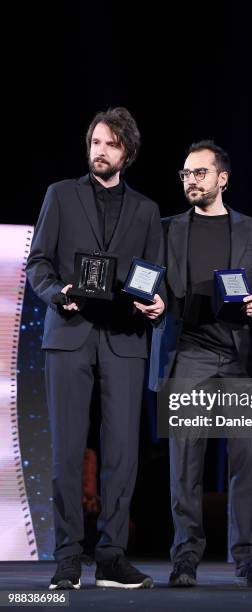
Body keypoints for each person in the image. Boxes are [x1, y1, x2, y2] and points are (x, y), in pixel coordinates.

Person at [26, 107, 165, 590]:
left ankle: (110, 556)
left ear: (126, 150)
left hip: (125, 340)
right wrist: (57, 293)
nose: (99, 151)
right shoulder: (60, 196)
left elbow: (152, 272)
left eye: (108, 144)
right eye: (94, 143)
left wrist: (156, 304)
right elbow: (38, 263)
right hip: (69, 334)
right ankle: (67, 556)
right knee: (66, 451)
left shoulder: (147, 210)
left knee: (123, 453)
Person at [149, 140, 252, 588]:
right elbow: (151, 284)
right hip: (188, 352)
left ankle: (247, 557)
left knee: (246, 458)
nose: (191, 181)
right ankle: (185, 556)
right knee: (185, 460)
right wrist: (153, 304)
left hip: (241, 353)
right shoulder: (166, 229)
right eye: (185, 174)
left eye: (199, 172)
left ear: (223, 178)